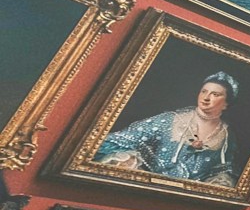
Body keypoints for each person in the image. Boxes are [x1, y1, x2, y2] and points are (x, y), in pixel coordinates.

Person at [94, 71, 240, 187]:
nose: (206, 98)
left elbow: (223, 170)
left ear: (226, 103)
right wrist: (129, 163)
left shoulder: (226, 135)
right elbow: (119, 140)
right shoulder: (170, 119)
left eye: (215, 94)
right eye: (204, 91)